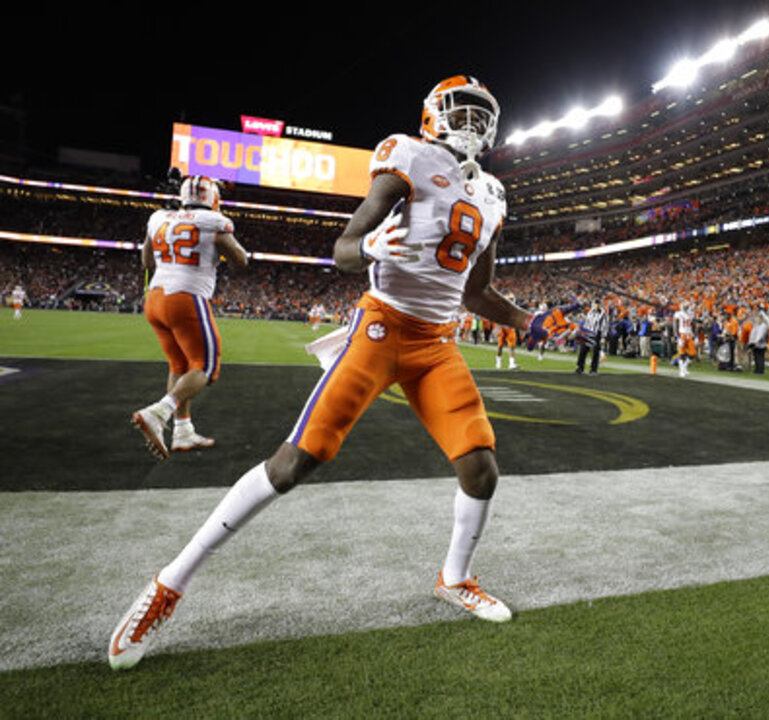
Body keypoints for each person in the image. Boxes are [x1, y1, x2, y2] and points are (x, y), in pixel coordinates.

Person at [109, 75, 551, 671]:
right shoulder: (408, 155)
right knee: (294, 463)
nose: (471, 124)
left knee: (480, 466)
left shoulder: (493, 193)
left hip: (437, 344)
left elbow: (477, 293)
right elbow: (344, 249)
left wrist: (531, 321)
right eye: (460, 111)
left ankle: (455, 577)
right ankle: (168, 585)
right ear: (431, 116)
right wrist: (372, 249)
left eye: (480, 115)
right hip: (381, 329)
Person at [131, 176, 249, 459]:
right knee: (205, 368)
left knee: (179, 364)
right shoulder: (214, 222)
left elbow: (147, 262)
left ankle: (183, 431)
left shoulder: (158, 217)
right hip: (186, 298)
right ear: (213, 198)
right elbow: (241, 261)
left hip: (155, 297)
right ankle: (159, 412)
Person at [576, 298, 609, 374]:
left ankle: (593, 369)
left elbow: (605, 326)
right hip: (587, 333)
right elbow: (587, 323)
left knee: (595, 352)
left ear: (600, 305)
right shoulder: (590, 312)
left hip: (596, 334)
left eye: (598, 303)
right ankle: (580, 367)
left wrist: (603, 337)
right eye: (595, 303)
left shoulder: (603, 314)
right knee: (583, 351)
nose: (596, 305)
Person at [673, 302, 696, 377]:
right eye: (685, 306)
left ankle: (685, 366)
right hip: (682, 334)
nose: (686, 307)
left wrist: (694, 334)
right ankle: (681, 370)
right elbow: (675, 324)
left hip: (689, 334)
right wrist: (677, 336)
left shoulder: (691, 313)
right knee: (682, 353)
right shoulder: (678, 313)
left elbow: (693, 324)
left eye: (687, 306)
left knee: (692, 353)